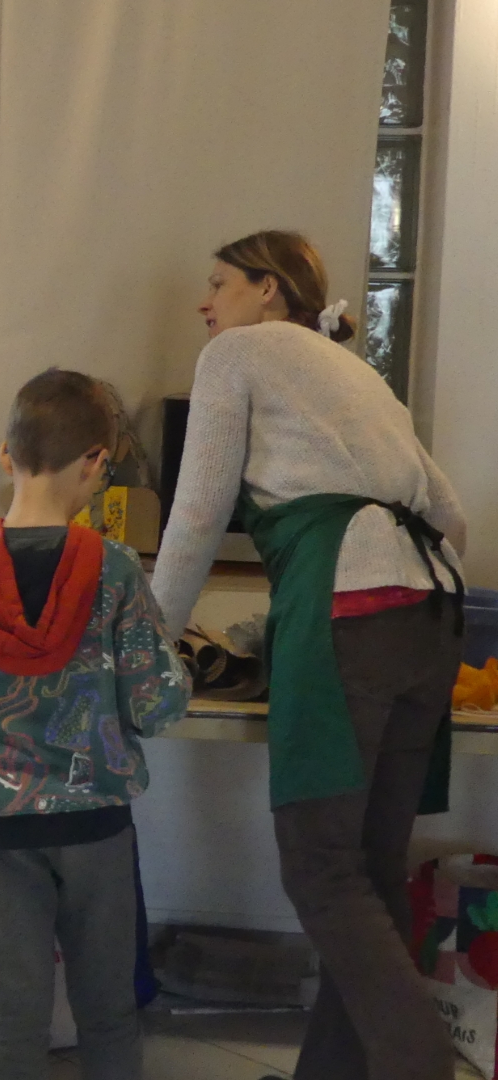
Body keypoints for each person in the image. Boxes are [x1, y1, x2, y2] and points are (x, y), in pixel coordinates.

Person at [151, 230, 467, 1080]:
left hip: (349, 614)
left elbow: (196, 513)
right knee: (369, 869)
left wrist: (146, 639)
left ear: (267, 289)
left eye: (218, 282)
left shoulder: (237, 354)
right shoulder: (357, 373)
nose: (204, 302)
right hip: (431, 617)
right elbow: (452, 519)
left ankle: (419, 1065)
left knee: (321, 870)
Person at [0, 370, 190, 1080]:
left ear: (6, 454)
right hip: (94, 821)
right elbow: (154, 702)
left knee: (10, 1015)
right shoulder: (115, 569)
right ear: (96, 462)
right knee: (107, 1009)